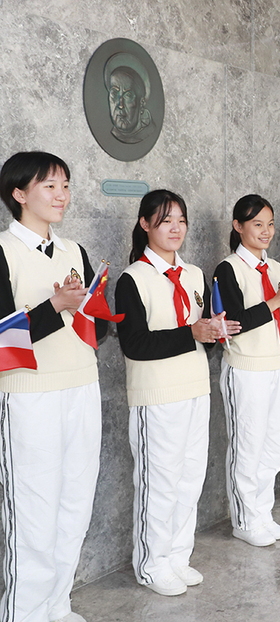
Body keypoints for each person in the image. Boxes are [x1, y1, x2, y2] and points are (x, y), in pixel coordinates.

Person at [115, 189, 238, 597]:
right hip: (156, 395)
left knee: (189, 479)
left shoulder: (195, 274)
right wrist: (192, 333)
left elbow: (199, 330)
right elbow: (134, 344)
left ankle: (177, 557)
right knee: (160, 482)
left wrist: (213, 331)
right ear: (145, 224)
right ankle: (151, 564)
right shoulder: (133, 278)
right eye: (165, 220)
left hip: (194, 389)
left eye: (181, 220)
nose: (175, 228)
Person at [0, 151, 106, 622]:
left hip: (81, 387)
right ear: (19, 194)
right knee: (33, 512)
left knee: (75, 503)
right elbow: (2, 339)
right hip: (29, 395)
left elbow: (95, 328)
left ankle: (56, 605)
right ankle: (24, 612)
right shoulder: (3, 251)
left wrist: (89, 308)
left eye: (65, 184)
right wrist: (55, 305)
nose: (61, 194)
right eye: (50, 186)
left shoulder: (75, 251)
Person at [214, 195, 280, 547]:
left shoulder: (277, 267)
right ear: (238, 227)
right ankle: (244, 518)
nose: (266, 231)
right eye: (257, 224)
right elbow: (235, 322)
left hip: (276, 364)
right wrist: (276, 303)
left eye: (270, 224)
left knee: (271, 445)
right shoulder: (228, 268)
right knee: (248, 444)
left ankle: (262, 513)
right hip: (246, 368)